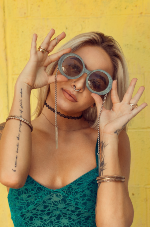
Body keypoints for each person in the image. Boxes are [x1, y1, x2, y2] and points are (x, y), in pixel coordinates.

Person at [0, 29, 147, 227]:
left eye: (96, 81)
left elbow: (115, 225)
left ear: (105, 94)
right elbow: (12, 176)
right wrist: (23, 85)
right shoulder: (6, 132)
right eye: (73, 67)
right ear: (56, 64)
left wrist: (109, 139)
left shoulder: (111, 139)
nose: (78, 85)